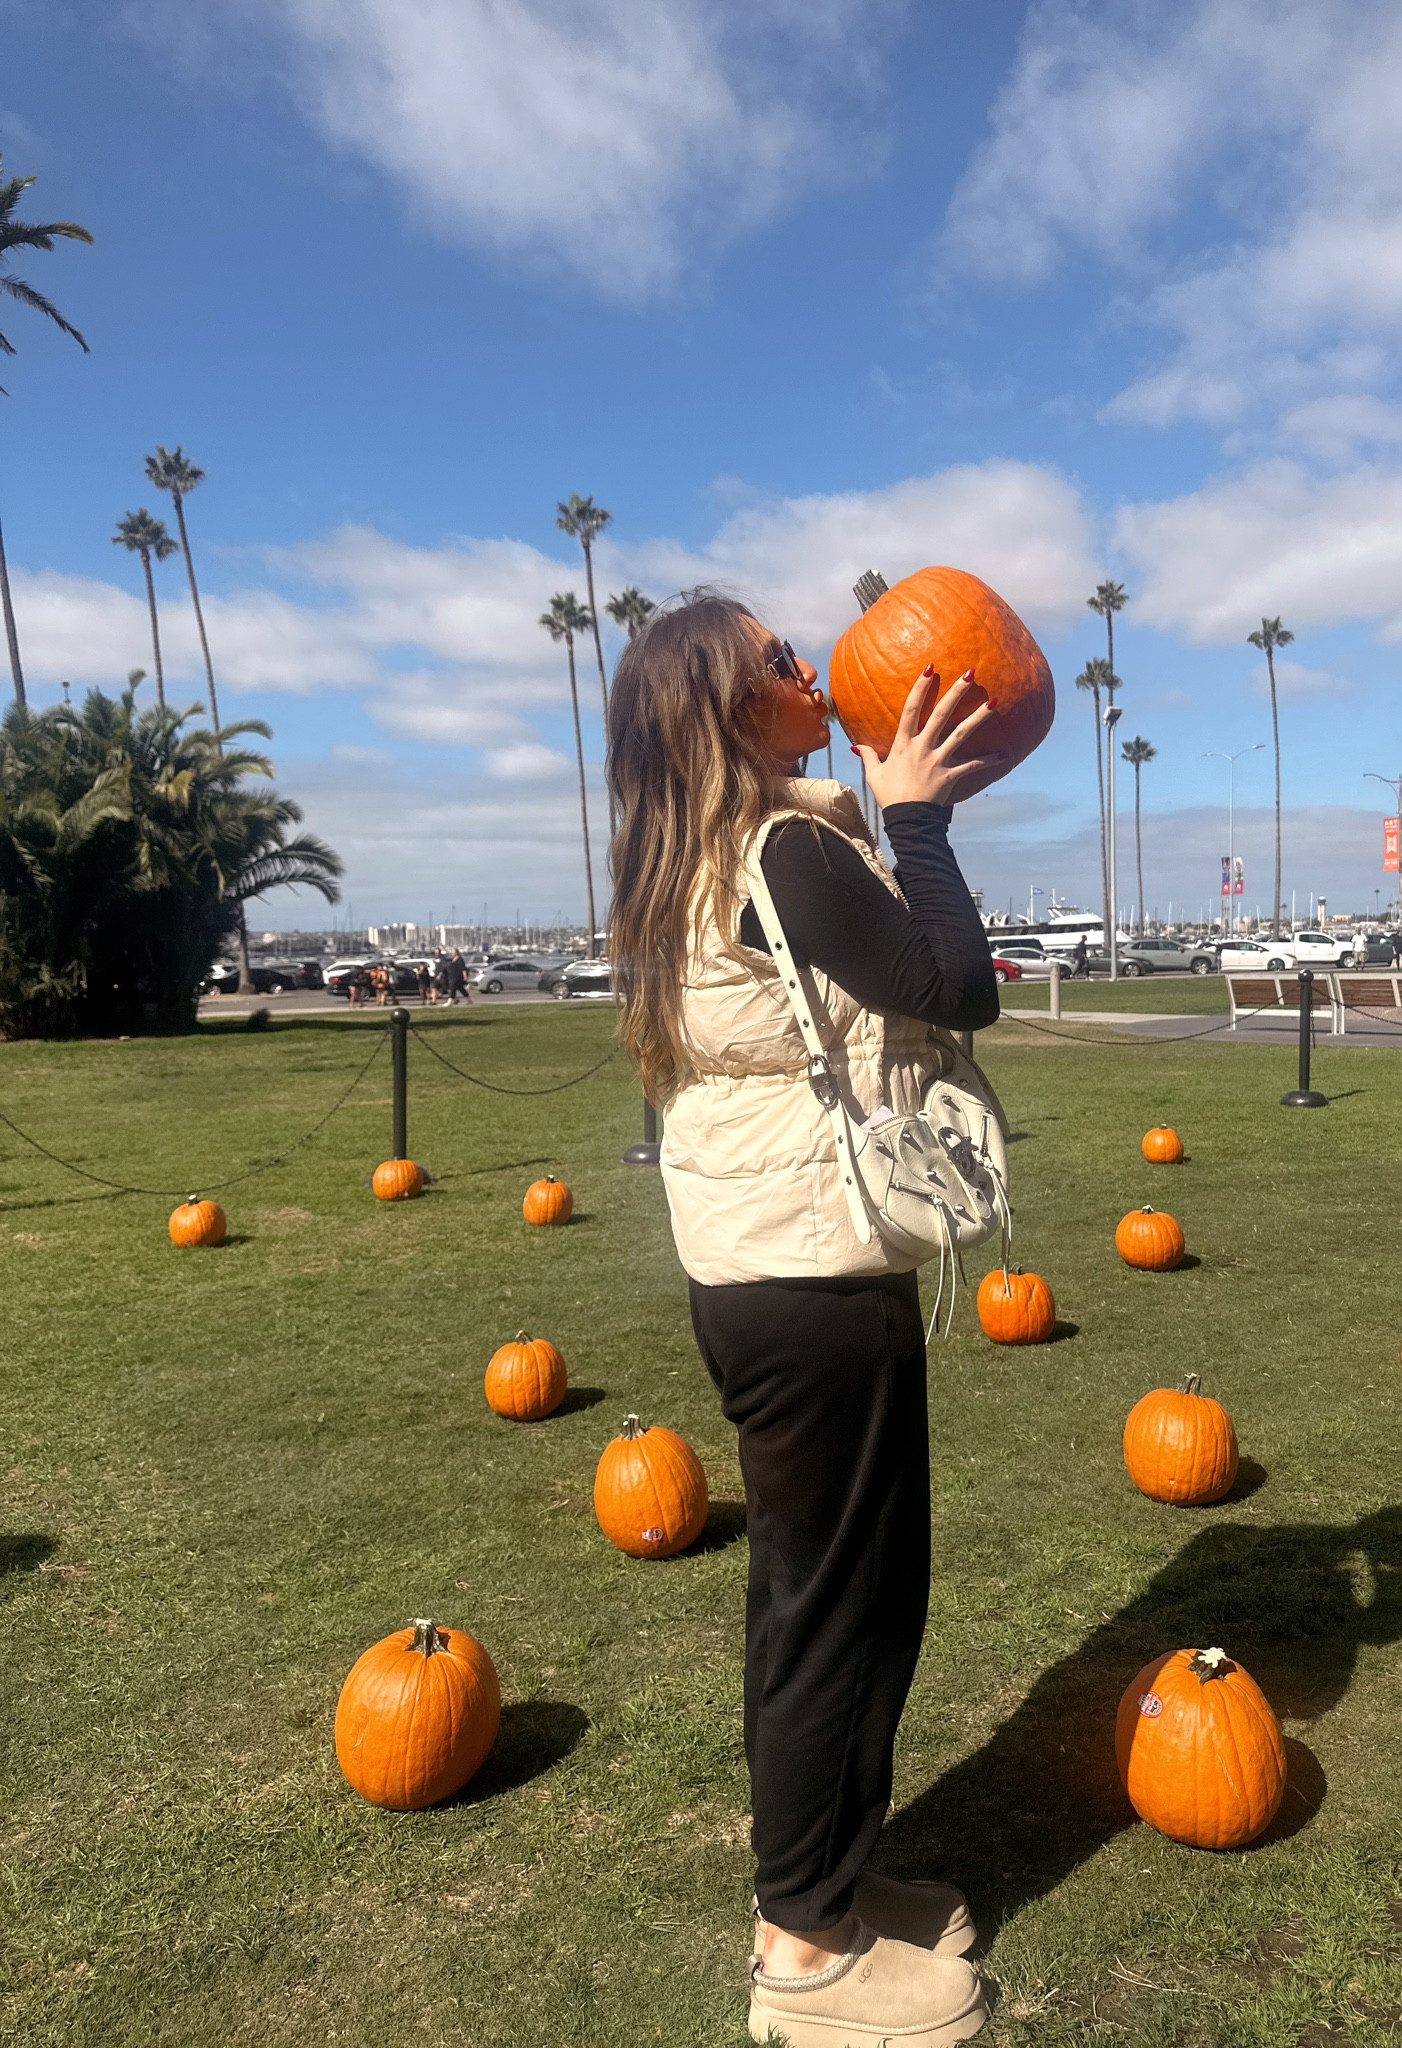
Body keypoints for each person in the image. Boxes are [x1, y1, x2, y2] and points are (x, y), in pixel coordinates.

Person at [608, 592, 1005, 2048]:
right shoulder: (785, 842)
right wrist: (916, 819)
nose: (809, 667)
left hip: (772, 1268)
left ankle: (837, 1882)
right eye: (779, 659)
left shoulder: (696, 854)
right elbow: (954, 985)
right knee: (832, 1606)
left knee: (852, 1590)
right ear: (731, 708)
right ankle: (804, 1952)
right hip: (811, 1279)